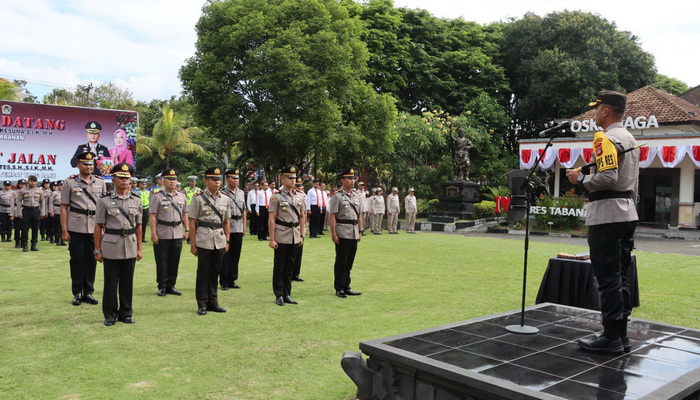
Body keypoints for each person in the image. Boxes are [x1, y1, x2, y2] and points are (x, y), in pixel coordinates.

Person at [566, 91, 640, 355]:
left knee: (608, 278)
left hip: (607, 215)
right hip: (626, 212)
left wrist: (580, 180)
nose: (594, 114)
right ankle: (621, 335)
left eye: (596, 109)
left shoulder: (604, 138)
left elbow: (608, 177)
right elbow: (630, 181)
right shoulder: (629, 138)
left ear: (605, 111)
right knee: (621, 276)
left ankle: (611, 337)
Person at [94, 163, 143, 326]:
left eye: (127, 178)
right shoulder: (104, 200)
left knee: (127, 282)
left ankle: (126, 313)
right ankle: (110, 314)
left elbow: (139, 226)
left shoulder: (136, 200)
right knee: (110, 282)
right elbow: (98, 226)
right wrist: (97, 249)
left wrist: (139, 248)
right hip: (111, 245)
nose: (124, 181)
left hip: (130, 244)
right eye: (121, 178)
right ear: (113, 179)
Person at [61, 151, 107, 306]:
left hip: (95, 227)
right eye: (85, 164)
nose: (89, 166)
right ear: (78, 165)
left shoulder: (101, 182)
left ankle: (89, 292)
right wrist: (64, 230)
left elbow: (105, 206)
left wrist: (105, 227)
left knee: (92, 260)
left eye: (91, 164)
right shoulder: (70, 183)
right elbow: (64, 208)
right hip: (76, 227)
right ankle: (77, 292)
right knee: (77, 260)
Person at [188, 167, 231, 315]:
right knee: (203, 273)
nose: (217, 182)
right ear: (206, 181)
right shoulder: (198, 198)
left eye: (219, 179)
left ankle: (213, 302)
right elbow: (192, 222)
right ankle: (202, 303)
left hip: (219, 239)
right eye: (214, 179)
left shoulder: (225, 198)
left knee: (215, 272)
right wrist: (192, 244)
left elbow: (226, 222)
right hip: (204, 239)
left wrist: (227, 241)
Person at [268, 166, 306, 306]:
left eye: (294, 178)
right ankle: (279, 294)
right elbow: (272, 218)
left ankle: (287, 293)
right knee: (280, 265)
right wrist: (272, 238)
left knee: (290, 266)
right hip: (281, 234)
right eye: (290, 178)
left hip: (295, 235)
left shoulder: (300, 196)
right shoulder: (276, 196)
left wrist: (302, 234)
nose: (293, 180)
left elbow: (302, 216)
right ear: (282, 179)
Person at [150, 169, 189, 297]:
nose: (172, 181)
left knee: (174, 260)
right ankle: (161, 285)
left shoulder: (182, 196)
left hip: (177, 232)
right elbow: (153, 216)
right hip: (162, 232)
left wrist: (187, 230)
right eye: (169, 179)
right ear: (163, 181)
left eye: (174, 179)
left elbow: (185, 214)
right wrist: (153, 234)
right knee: (162, 261)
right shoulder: (157, 196)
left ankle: (171, 284)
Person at [330, 168, 364, 298]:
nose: (352, 180)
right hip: (343, 231)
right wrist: (333, 233)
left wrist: (360, 230)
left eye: (353, 178)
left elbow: (359, 215)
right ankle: (339, 287)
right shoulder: (337, 196)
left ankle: (347, 285)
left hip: (354, 231)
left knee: (349, 261)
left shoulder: (357, 196)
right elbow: (333, 216)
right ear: (342, 180)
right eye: (349, 178)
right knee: (341, 261)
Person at [220, 167, 246, 290]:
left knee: (236, 254)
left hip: (239, 225)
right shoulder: (223, 193)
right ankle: (224, 281)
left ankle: (232, 279)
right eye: (233, 178)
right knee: (226, 254)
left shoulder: (241, 193)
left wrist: (244, 226)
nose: (236, 180)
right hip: (228, 225)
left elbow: (244, 210)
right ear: (227, 179)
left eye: (237, 178)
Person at [16, 175, 46, 252]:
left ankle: (33, 245)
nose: (32, 183)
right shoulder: (22, 190)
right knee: (24, 229)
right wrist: (19, 212)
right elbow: (18, 202)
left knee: (35, 228)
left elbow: (43, 202)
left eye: (34, 181)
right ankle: (25, 245)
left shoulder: (40, 191)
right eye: (31, 181)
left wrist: (42, 212)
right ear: (28, 181)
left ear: (36, 182)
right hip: (26, 210)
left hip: (36, 210)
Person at [292, 177, 306, 282]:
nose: (298, 187)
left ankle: (296, 273)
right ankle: (289, 273)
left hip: (298, 227)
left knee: (299, 252)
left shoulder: (301, 196)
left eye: (300, 185)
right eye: (297, 185)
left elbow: (303, 214)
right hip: (289, 228)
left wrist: (303, 230)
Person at [49, 181, 66, 245]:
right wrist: (51, 211)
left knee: (63, 226)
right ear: (58, 186)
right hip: (56, 210)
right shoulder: (54, 193)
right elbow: (51, 203)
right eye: (60, 185)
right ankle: (57, 240)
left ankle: (63, 240)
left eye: (62, 185)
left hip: (65, 211)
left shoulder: (66, 192)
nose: (61, 186)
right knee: (57, 226)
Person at [12, 179, 26, 248]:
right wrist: (12, 214)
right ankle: (17, 242)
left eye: (24, 184)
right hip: (17, 210)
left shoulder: (28, 191)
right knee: (17, 229)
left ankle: (24, 242)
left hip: (25, 210)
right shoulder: (15, 192)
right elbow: (12, 204)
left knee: (25, 228)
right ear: (18, 184)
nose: (23, 185)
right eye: (21, 184)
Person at [136, 179, 151, 243]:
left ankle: (143, 238)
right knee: (137, 223)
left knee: (144, 224)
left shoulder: (148, 191)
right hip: (138, 209)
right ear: (139, 184)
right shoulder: (136, 192)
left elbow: (150, 199)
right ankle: (136, 237)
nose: (143, 185)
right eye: (142, 184)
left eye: (144, 184)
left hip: (146, 208)